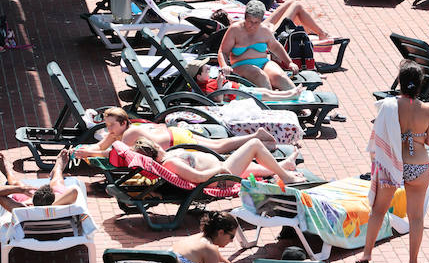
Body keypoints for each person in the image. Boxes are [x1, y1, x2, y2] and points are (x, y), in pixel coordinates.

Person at [358, 60, 429, 263]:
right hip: (419, 167)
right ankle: (412, 262)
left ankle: (367, 253)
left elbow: (378, 134)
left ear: (400, 83)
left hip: (391, 165)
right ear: (420, 84)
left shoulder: (388, 106)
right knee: (416, 217)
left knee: (378, 211)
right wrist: (417, 136)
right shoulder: (428, 110)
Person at [72, 107, 280, 160]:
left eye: (111, 126)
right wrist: (79, 149)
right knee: (220, 144)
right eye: (107, 125)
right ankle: (256, 136)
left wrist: (89, 154)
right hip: (175, 132)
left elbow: (115, 154)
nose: (108, 130)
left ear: (123, 123)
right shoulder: (121, 132)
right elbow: (100, 146)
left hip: (176, 139)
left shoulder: (128, 135)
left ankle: (255, 138)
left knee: (219, 147)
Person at [132, 137, 305, 185]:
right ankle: (286, 176)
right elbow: (198, 178)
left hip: (222, 169)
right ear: (154, 146)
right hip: (220, 178)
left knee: (250, 165)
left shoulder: (168, 156)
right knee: (254, 144)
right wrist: (218, 171)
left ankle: (283, 166)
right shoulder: (170, 163)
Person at [218, 0, 301, 90]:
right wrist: (224, 66)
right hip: (240, 65)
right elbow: (223, 51)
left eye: (256, 22)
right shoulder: (235, 30)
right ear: (245, 17)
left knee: (280, 76)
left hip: (264, 63)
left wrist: (289, 63)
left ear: (261, 20)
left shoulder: (264, 30)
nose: (252, 25)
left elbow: (276, 47)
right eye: (250, 21)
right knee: (261, 76)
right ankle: (271, 100)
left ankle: (297, 97)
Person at [171, 211, 253, 263]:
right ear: (221, 232)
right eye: (231, 236)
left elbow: (223, 261)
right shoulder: (209, 248)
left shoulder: (197, 239)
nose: (231, 241)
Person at [187, 57, 311, 101]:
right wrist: (219, 83)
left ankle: (289, 92)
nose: (209, 70)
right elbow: (218, 99)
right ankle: (290, 96)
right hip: (236, 95)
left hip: (238, 89)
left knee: (265, 92)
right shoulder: (205, 87)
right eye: (205, 70)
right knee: (265, 96)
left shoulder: (206, 81)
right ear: (198, 77)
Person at [0, 149, 78, 210]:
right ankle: (57, 170)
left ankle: (8, 173)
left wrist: (21, 189)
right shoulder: (58, 206)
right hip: (54, 204)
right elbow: (74, 191)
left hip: (31, 204)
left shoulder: (24, 210)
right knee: (57, 183)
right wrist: (47, 207)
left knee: (16, 184)